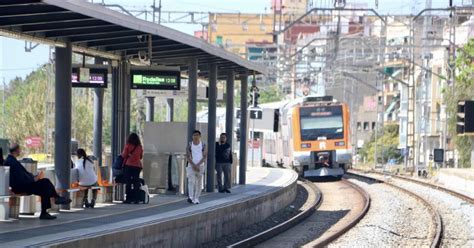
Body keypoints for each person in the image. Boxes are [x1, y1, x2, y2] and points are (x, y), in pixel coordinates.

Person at [6, 144, 71, 220]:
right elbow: (21, 177)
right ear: (16, 150)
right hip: (21, 186)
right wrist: (33, 179)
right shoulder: (12, 162)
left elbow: (22, 176)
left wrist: (33, 177)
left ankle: (46, 210)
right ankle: (54, 200)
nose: (20, 151)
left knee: (45, 188)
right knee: (45, 183)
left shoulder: (11, 160)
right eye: (19, 149)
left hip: (22, 185)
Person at [121, 133, 143, 204]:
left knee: (128, 182)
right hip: (137, 166)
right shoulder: (139, 147)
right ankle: (136, 198)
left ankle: (128, 199)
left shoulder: (128, 145)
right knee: (136, 182)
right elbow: (140, 157)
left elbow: (124, 155)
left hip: (129, 165)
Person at [186, 130, 207, 204]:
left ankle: (196, 198)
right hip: (191, 166)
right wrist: (193, 165)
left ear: (200, 136)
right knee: (191, 181)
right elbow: (188, 156)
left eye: (197, 135)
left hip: (200, 166)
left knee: (199, 183)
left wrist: (198, 165)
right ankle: (191, 197)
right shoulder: (189, 144)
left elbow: (204, 156)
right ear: (192, 136)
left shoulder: (203, 145)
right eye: (194, 135)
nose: (196, 136)